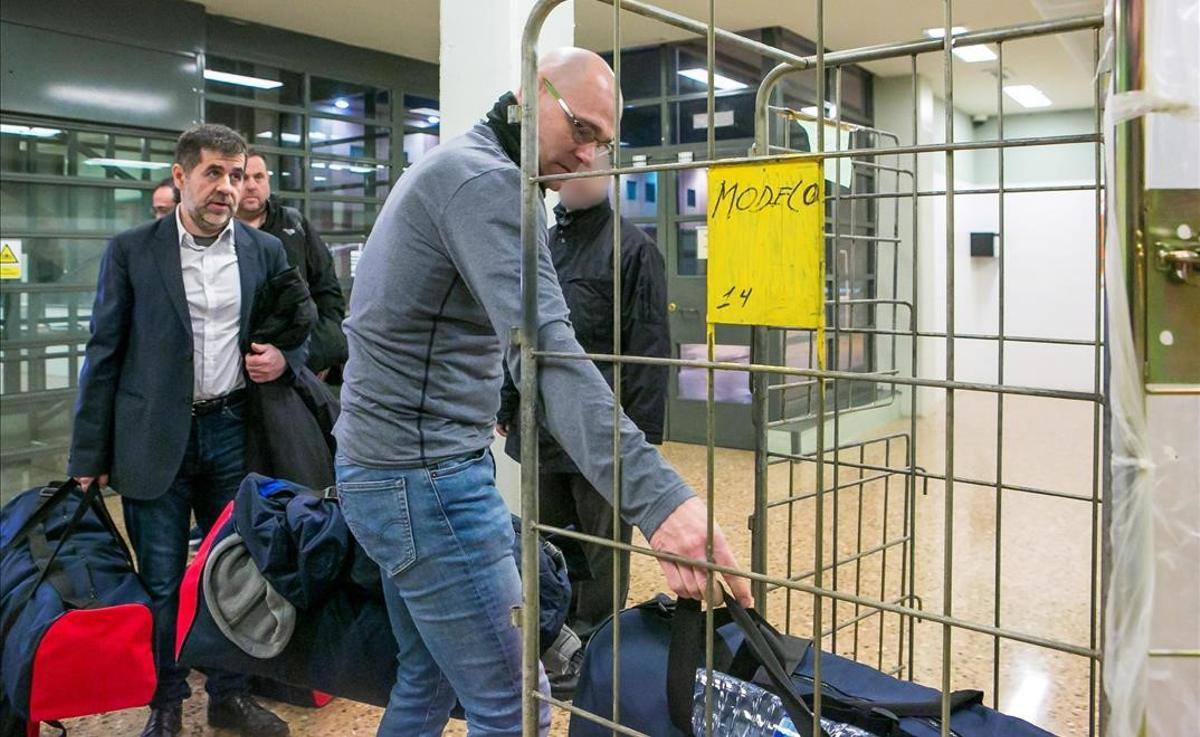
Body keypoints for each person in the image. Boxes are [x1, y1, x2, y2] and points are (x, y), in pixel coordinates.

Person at [334, 47, 749, 737]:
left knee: (427, 675)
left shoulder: (460, 167)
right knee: (513, 701)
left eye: (603, 142)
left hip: (389, 469)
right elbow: (549, 355)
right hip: (423, 480)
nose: (589, 156)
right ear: (529, 94)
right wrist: (661, 499)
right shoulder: (485, 183)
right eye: (581, 129)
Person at [68, 124, 298, 737]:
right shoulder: (133, 251)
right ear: (180, 177)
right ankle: (165, 702)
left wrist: (283, 359)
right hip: (152, 438)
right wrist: (88, 453)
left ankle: (228, 693)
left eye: (235, 173)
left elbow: (302, 329)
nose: (227, 186)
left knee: (231, 569)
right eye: (213, 173)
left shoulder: (264, 252)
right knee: (164, 579)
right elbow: (104, 354)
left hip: (233, 432)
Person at [496, 157, 670, 643]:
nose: (574, 177)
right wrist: (507, 400)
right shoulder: (543, 246)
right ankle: (554, 635)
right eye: (567, 169)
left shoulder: (634, 249)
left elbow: (650, 349)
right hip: (543, 427)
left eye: (588, 167)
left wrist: (639, 442)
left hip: (603, 434)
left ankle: (595, 643)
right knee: (548, 539)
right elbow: (520, 331)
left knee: (601, 550)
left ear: (610, 174)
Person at [237, 151, 348, 378]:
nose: (251, 185)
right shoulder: (220, 234)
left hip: (300, 366)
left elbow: (327, 291)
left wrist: (317, 355)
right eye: (242, 177)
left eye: (258, 177)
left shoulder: (295, 226)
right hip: (239, 370)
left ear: (268, 182)